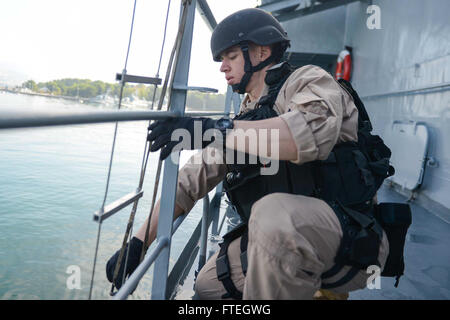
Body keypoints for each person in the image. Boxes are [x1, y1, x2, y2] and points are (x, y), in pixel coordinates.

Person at [106, 8, 390, 300]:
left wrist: (213, 128)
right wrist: (138, 244)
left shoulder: (309, 81)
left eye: (230, 56)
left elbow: (309, 135)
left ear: (261, 52)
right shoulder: (248, 114)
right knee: (210, 284)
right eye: (221, 60)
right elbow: (192, 178)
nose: (222, 67)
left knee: (273, 214)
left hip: (349, 240)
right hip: (287, 237)